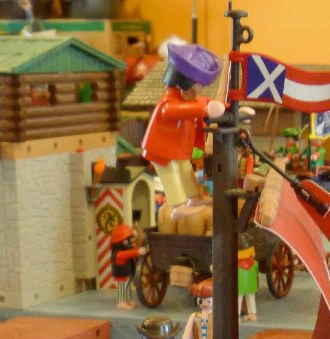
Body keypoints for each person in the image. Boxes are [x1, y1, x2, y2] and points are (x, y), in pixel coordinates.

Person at [141, 43, 225, 220]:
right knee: (170, 174)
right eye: (197, 86)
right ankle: (177, 206)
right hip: (161, 151)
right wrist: (205, 110)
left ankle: (194, 198)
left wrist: (229, 108)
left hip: (176, 151)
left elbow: (205, 103)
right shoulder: (169, 103)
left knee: (186, 171)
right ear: (184, 84)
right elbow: (176, 111)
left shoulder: (188, 100)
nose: (199, 91)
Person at [109, 224, 146, 310]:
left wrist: (137, 240)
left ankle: (128, 300)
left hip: (127, 272)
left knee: (128, 286)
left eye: (128, 239)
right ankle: (121, 302)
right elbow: (127, 254)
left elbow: (132, 249)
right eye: (125, 240)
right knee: (122, 287)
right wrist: (137, 251)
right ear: (119, 241)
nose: (128, 241)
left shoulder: (125, 247)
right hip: (121, 274)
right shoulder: (117, 253)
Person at [238, 234, 259, 322]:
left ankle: (236, 316)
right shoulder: (255, 263)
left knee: (237, 301)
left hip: (239, 287)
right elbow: (256, 274)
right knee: (251, 299)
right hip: (251, 286)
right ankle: (252, 314)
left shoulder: (235, 265)